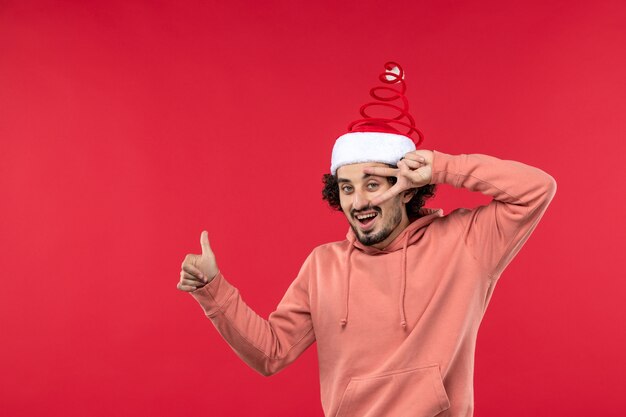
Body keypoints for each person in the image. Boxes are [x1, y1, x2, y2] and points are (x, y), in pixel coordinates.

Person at [177, 62, 557, 417]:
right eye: (346, 188)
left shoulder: (466, 243)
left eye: (373, 185)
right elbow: (271, 354)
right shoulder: (323, 265)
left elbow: (536, 189)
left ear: (408, 189)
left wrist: (441, 167)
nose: (358, 202)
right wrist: (213, 289)